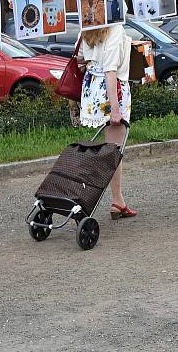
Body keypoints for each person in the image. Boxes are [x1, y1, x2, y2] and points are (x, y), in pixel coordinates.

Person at [77, 24, 137, 219]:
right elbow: (110, 71)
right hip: (111, 91)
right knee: (114, 150)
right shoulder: (116, 29)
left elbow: (81, 59)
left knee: (112, 149)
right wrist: (115, 108)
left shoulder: (87, 26)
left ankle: (118, 200)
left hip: (92, 88)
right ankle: (114, 200)